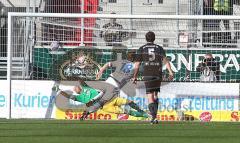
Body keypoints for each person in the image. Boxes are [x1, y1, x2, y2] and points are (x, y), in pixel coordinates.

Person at [132, 31, 174, 124]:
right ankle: (155, 116)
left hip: (148, 74)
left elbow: (137, 64)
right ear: (154, 38)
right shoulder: (159, 48)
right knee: (155, 95)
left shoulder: (142, 48)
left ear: (146, 38)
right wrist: (171, 72)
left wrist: (134, 76)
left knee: (150, 96)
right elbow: (166, 61)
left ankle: (154, 117)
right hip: (158, 73)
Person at [56, 81, 149, 119]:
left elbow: (101, 92)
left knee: (129, 102)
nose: (75, 88)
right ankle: (146, 116)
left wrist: (93, 99)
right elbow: (68, 96)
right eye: (74, 88)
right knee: (127, 111)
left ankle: (142, 112)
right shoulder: (78, 98)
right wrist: (60, 91)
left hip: (111, 99)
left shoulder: (87, 87)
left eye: (76, 87)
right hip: (105, 107)